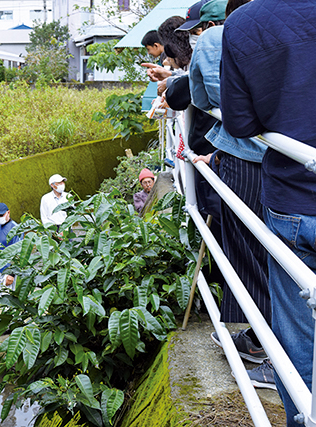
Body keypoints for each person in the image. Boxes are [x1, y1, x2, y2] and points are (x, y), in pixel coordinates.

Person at [221, 1, 316, 424]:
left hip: (293, 203)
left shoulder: (243, 23)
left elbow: (240, 123)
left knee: (297, 338)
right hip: (291, 200)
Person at [188, 0, 272, 387]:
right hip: (294, 156)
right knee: (284, 252)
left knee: (247, 250)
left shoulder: (213, 40)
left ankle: (261, 340)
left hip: (244, 154)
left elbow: (203, 99)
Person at [0, 202, 21, 287]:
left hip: (10, 272)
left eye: (1, 215)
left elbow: (19, 252)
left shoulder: (16, 228)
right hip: (1, 270)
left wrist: (12, 274)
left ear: (8, 213)